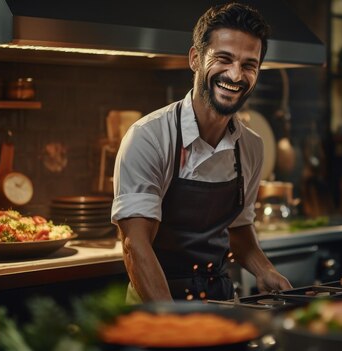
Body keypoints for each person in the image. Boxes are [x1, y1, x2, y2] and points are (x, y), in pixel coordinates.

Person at [111, 2, 292, 303]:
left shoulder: (251, 146)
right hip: (154, 307)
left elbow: (238, 229)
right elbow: (135, 246)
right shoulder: (149, 137)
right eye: (224, 59)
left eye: (249, 65)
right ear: (196, 58)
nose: (235, 75)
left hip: (221, 302)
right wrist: (173, 322)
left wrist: (264, 269)